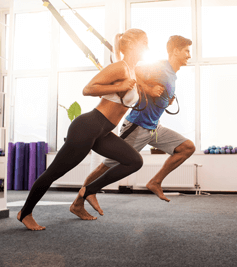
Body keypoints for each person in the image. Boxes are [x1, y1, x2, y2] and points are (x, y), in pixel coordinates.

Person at [17, 28, 149, 230]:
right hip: (88, 127)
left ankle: (87, 191)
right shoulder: (120, 68)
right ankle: (25, 212)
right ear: (132, 45)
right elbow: (88, 89)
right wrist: (119, 88)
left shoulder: (129, 70)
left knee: (134, 161)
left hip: (103, 131)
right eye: (144, 43)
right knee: (54, 173)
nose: (147, 47)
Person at [79, 35, 196, 216]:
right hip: (137, 125)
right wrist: (148, 89)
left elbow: (157, 94)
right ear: (175, 51)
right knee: (106, 166)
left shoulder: (172, 74)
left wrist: (167, 100)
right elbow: (133, 71)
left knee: (187, 147)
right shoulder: (160, 67)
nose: (189, 55)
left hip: (154, 127)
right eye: (187, 51)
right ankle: (79, 200)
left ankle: (155, 182)